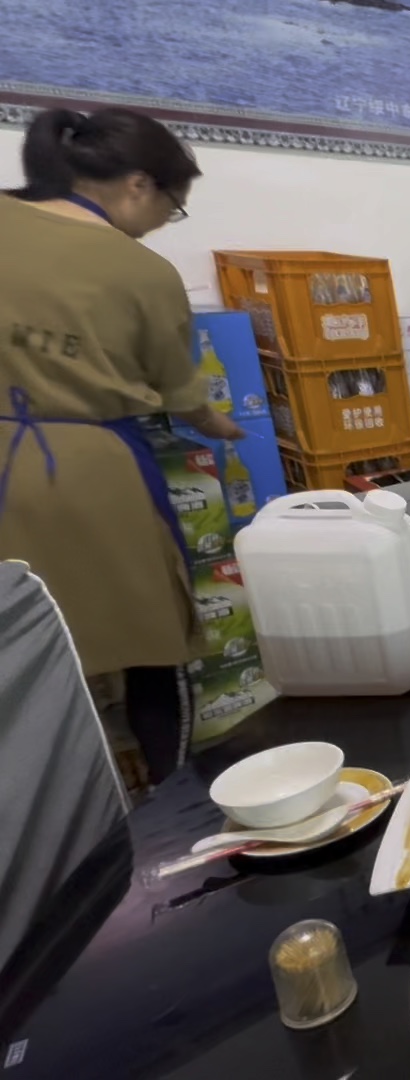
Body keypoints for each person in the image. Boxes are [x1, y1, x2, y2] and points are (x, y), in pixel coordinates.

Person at [0, 107, 245, 781]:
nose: (165, 222)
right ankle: (171, 794)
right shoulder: (139, 271)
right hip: (88, 473)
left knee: (19, 657)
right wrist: (219, 424)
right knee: (152, 642)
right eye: (173, 208)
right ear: (140, 184)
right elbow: (180, 392)